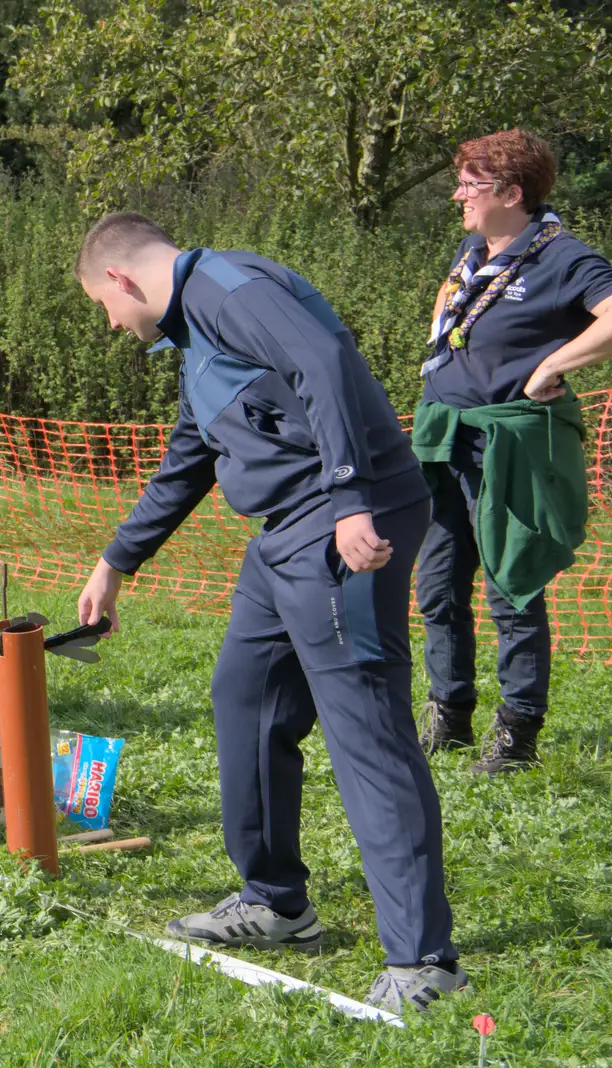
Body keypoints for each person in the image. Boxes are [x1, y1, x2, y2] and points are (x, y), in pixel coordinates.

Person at [72, 213, 465, 1013]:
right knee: (244, 696)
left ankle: (427, 963)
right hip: (286, 534)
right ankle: (275, 901)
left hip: (342, 525)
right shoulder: (195, 333)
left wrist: (352, 501)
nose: (112, 325)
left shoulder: (226, 287)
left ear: (121, 279)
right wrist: (116, 562)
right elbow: (193, 452)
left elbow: (326, 358)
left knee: (366, 731)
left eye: (103, 307)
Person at [414, 129, 612, 774]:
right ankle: (449, 717)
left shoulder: (564, 258)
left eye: (470, 184)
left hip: (507, 445)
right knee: (438, 586)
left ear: (511, 191)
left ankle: (516, 736)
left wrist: (552, 363)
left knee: (512, 585)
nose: (458, 195)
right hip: (444, 437)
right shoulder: (474, 250)